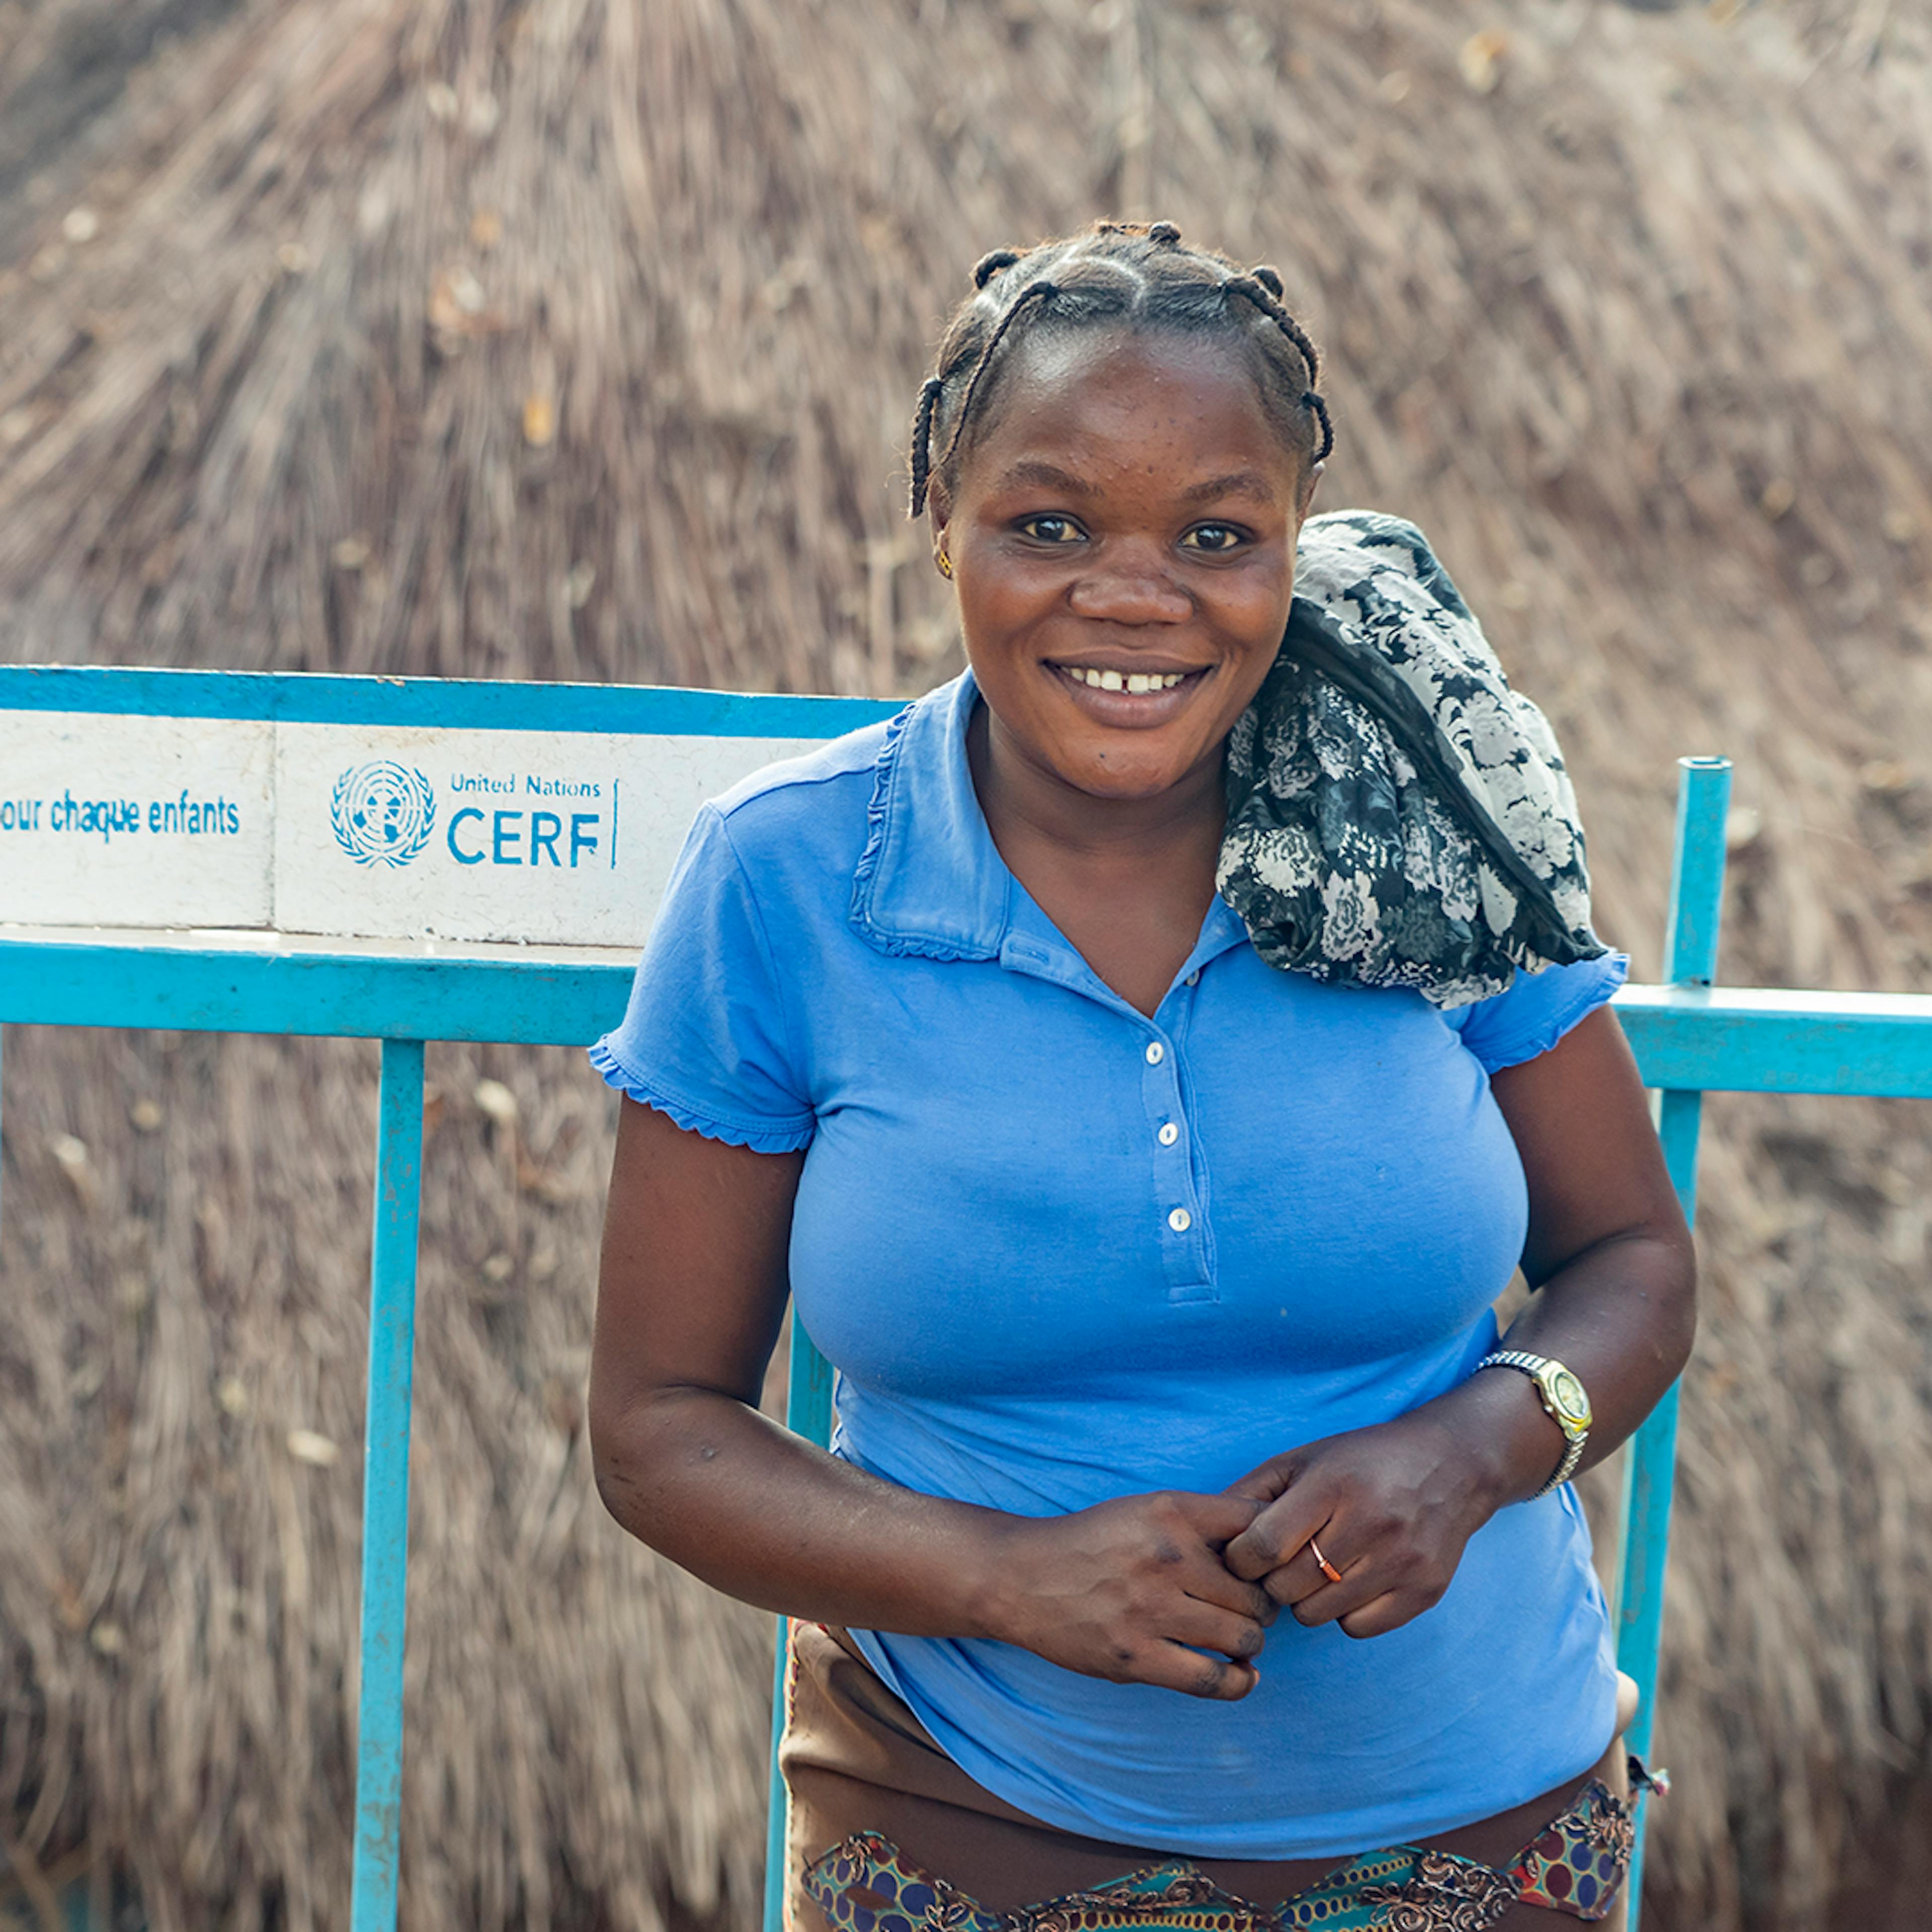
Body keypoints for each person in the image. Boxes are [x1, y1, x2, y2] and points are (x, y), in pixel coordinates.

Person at [588, 221, 1695, 1932]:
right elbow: (659, 1431)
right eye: (1050, 524)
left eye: (1215, 535)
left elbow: (1633, 1261)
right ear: (941, 522)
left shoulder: (1423, 822)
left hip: (1488, 1832)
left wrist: (1479, 1449)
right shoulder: (789, 883)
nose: (1134, 594)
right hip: (969, 1827)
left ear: (1289, 551)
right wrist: (1003, 1579)